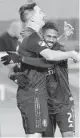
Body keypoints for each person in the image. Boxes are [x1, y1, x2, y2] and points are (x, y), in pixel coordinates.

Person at [2, 1, 79, 138]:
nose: (43, 14)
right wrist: (71, 54)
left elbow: (42, 52)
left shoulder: (28, 36)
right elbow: (49, 55)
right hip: (33, 95)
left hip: (42, 96)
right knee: (35, 136)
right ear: (32, 18)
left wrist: (20, 63)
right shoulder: (31, 36)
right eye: (40, 12)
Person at [41, 21, 77, 137]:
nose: (51, 39)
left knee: (68, 135)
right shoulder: (36, 51)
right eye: (48, 36)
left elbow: (51, 55)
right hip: (44, 105)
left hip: (64, 103)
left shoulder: (61, 49)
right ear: (42, 35)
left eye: (54, 37)